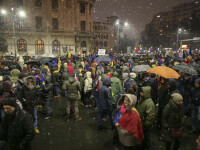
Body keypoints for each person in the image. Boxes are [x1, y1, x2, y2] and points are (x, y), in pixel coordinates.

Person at [137, 86, 156, 150]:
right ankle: (144, 146)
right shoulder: (141, 100)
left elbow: (151, 117)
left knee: (147, 138)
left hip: (145, 125)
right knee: (144, 137)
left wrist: (145, 125)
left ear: (146, 93)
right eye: (140, 92)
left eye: (142, 92)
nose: (140, 93)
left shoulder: (150, 103)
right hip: (141, 123)